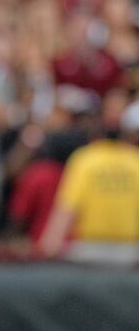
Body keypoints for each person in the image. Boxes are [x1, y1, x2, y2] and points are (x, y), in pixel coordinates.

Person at [38, 100, 139, 264]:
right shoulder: (135, 161)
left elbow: (67, 208)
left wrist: (50, 244)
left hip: (90, 251)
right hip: (131, 252)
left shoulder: (85, 159)